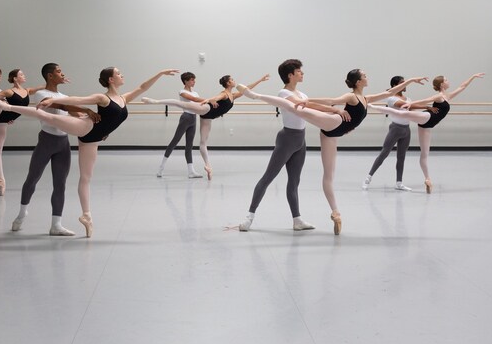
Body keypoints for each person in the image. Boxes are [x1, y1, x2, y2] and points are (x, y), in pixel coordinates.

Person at [0, 67, 179, 238]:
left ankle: (86, 215)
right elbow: (78, 99)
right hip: (86, 127)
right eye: (118, 73)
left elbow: (143, 87)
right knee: (46, 117)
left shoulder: (124, 98)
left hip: (94, 139)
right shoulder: (104, 98)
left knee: (86, 178)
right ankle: (6, 106)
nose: (122, 75)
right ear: (111, 80)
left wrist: (160, 74)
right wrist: (51, 100)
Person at [238, 70, 426, 235]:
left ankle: (328, 213)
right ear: (358, 81)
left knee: (324, 177)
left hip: (324, 136)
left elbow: (389, 92)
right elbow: (330, 101)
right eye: (365, 75)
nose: (367, 77)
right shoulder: (350, 96)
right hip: (330, 124)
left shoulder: (365, 99)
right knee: (297, 109)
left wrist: (409, 81)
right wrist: (310, 102)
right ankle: (254, 95)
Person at [239, 59, 350, 232]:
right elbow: (305, 106)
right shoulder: (283, 93)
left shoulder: (303, 94)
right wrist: (335, 110)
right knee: (268, 178)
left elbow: (314, 108)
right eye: (299, 71)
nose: (302, 73)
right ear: (290, 75)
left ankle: (297, 220)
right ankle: (249, 217)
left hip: (300, 141)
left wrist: (338, 116)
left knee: (294, 182)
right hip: (287, 140)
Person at [11, 63, 100, 237]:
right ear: (50, 76)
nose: (62, 73)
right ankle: (22, 214)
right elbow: (61, 106)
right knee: (32, 179)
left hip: (63, 144)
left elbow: (75, 116)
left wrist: (94, 122)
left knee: (60, 184)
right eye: (58, 71)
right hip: (46, 141)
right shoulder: (41, 94)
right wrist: (86, 108)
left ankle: (56, 224)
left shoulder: (63, 95)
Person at [369, 72, 485, 193]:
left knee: (425, 154)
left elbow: (462, 86)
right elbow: (426, 100)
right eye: (446, 80)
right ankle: (373, 106)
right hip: (428, 117)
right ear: (442, 84)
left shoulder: (447, 96)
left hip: (428, 126)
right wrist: (410, 104)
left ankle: (427, 179)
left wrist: (473, 77)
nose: (448, 81)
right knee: (403, 113)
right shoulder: (439, 96)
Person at [142, 73, 270, 180]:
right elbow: (217, 97)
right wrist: (209, 100)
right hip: (206, 109)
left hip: (208, 117)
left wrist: (260, 80)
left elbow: (246, 89)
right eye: (231, 80)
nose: (234, 81)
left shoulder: (233, 95)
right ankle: (155, 101)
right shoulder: (225, 93)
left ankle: (208, 166)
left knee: (203, 143)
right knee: (183, 105)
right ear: (227, 83)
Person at [362, 75, 435, 192]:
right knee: (384, 153)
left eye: (405, 82)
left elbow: (410, 109)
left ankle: (399, 182)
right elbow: (403, 105)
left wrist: (426, 110)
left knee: (401, 157)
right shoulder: (391, 98)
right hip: (395, 129)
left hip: (406, 130)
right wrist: (427, 106)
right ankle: (368, 178)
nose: (405, 84)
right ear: (396, 86)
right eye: (402, 83)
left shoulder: (408, 98)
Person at [156, 72, 205, 179]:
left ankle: (191, 171)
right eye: (192, 80)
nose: (194, 81)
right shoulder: (182, 92)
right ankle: (161, 168)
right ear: (186, 81)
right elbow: (194, 100)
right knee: (175, 141)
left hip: (193, 118)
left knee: (189, 145)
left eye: (194, 79)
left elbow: (198, 103)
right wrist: (209, 99)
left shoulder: (196, 93)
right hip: (186, 117)